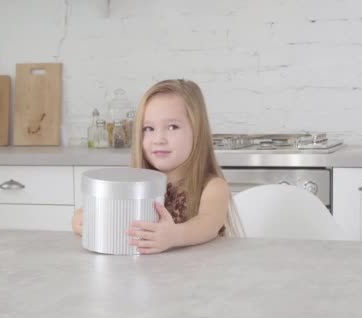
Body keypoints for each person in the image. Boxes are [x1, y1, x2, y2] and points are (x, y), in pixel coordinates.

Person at [72, 79, 243, 253]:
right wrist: (83, 219)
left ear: (197, 131)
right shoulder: (134, 185)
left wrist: (174, 235)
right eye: (148, 129)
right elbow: (94, 211)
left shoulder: (212, 186)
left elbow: (208, 224)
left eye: (172, 127)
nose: (158, 139)